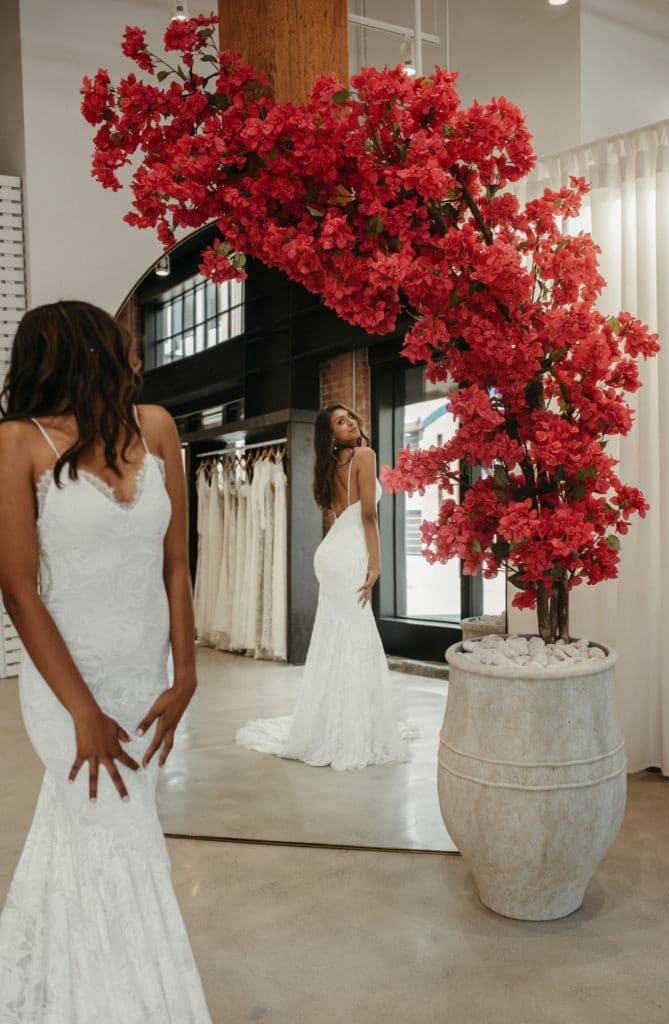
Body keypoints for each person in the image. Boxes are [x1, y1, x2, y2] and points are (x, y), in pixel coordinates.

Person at [0, 301, 212, 1022]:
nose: (134, 353)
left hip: (145, 679)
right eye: (120, 341)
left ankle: (50, 986)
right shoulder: (18, 442)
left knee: (92, 833)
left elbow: (176, 562)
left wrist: (186, 675)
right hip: (70, 690)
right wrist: (83, 712)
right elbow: (20, 591)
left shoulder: (154, 428)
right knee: (113, 835)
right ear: (81, 350)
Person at [236, 402, 412, 771]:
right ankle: (349, 727)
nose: (349, 424)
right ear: (330, 434)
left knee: (338, 635)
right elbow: (366, 514)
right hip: (347, 555)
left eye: (349, 418)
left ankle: (333, 721)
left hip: (331, 552)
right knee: (353, 635)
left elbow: (340, 514)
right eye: (340, 422)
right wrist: (376, 563)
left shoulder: (328, 466)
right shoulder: (364, 454)